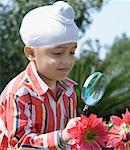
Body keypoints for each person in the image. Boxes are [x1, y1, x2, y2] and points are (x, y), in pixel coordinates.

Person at [0, 1, 80, 149]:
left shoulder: (68, 91)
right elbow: (20, 144)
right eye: (57, 53)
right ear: (31, 53)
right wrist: (61, 136)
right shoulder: (18, 93)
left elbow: (71, 141)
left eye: (72, 52)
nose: (67, 61)